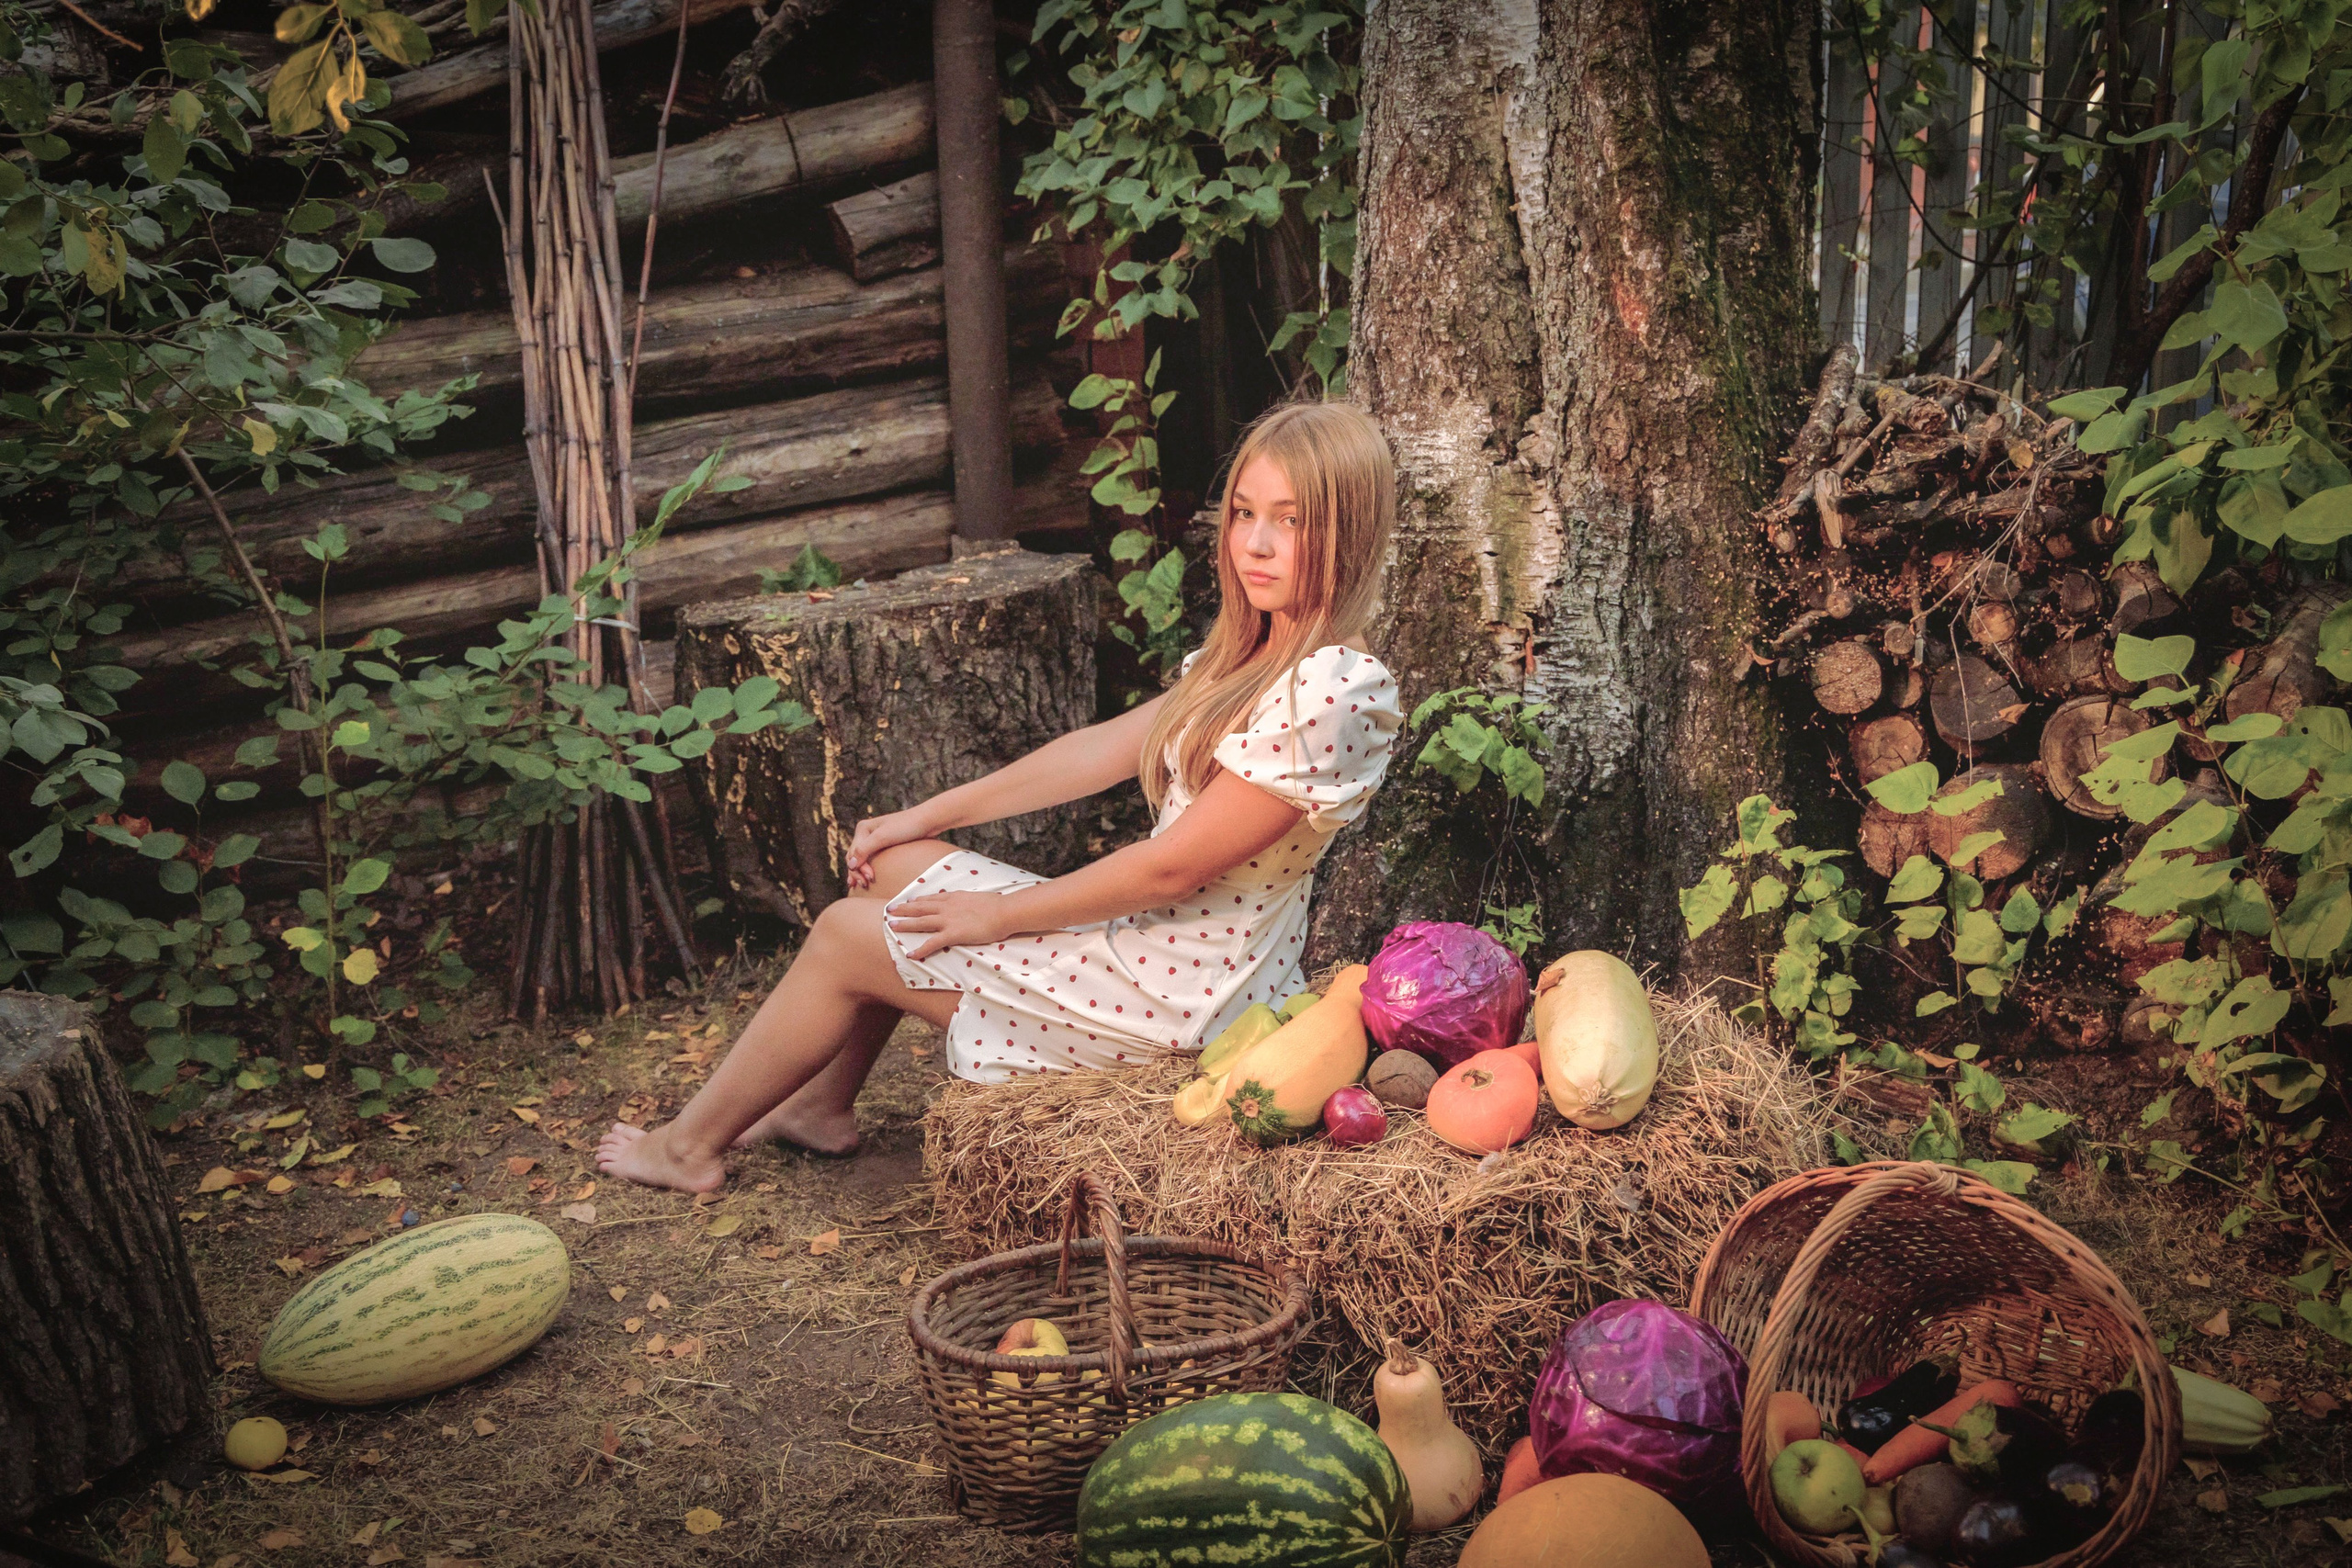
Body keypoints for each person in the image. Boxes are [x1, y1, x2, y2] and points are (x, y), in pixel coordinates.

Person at [596, 400, 1403, 1192]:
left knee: (851, 934)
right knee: (894, 866)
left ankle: (687, 1147)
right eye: (1243, 512)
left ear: (1350, 532)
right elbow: (1098, 751)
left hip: (1182, 994)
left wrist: (998, 915)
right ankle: (818, 1103)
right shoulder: (1253, 654)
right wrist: (930, 814)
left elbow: (1170, 871)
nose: (1255, 544)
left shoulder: (1332, 690)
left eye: (1291, 521)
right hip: (1153, 943)